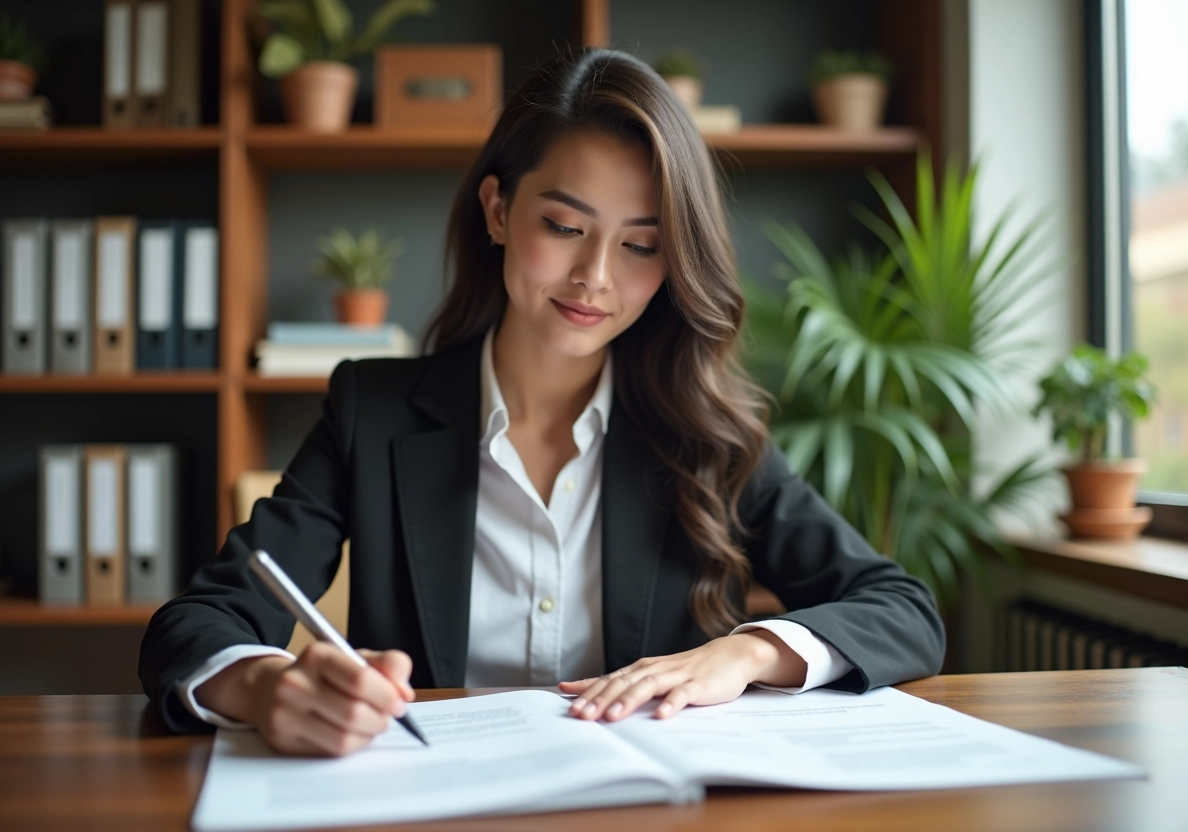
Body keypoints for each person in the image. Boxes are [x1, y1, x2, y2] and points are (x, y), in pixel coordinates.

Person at [138, 47, 944, 757]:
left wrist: (745, 653)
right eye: (564, 226)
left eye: (641, 245)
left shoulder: (708, 434)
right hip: (432, 803)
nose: (596, 276)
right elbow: (200, 623)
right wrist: (268, 687)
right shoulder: (371, 414)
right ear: (497, 209)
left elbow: (902, 610)